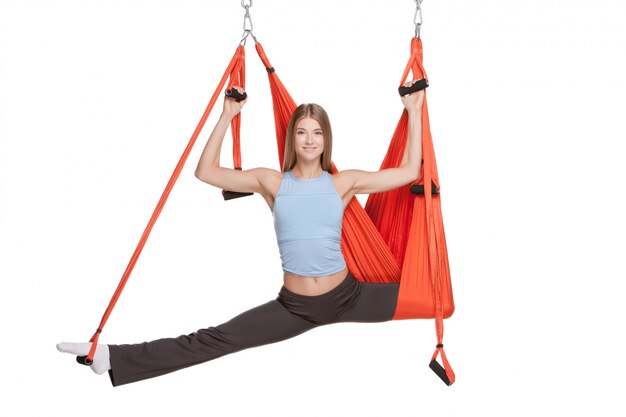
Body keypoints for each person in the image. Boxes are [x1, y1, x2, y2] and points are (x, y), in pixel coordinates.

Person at [58, 82, 425, 386]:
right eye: (301, 132)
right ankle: (111, 356)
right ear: (292, 138)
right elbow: (206, 171)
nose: (309, 140)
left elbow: (409, 171)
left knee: (433, 297)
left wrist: (413, 111)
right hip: (295, 307)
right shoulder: (271, 182)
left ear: (326, 139)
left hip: (350, 296)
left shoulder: (344, 182)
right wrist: (227, 116)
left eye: (316, 133)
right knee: (216, 339)